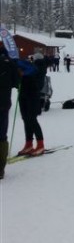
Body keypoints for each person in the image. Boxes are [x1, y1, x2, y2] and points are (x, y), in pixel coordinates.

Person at [16, 56, 46, 156]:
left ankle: (40, 145)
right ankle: (28, 144)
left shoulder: (38, 66)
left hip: (32, 95)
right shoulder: (23, 65)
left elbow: (36, 79)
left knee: (32, 119)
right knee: (25, 119)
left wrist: (23, 73)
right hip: (23, 94)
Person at [0, 46, 19, 179]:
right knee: (1, 136)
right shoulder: (10, 63)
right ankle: (0, 169)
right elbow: (17, 82)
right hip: (3, 104)